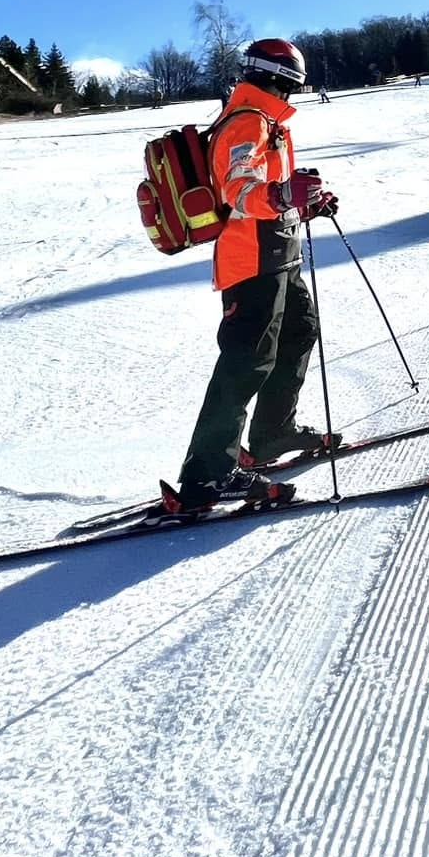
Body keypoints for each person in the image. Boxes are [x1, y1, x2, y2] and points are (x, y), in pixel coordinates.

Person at [171, 38, 340, 512]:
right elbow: (239, 190)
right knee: (246, 362)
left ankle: (270, 435)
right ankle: (206, 476)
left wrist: (303, 203)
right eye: (293, 88)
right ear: (281, 80)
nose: (294, 97)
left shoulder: (266, 122)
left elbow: (269, 192)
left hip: (280, 256)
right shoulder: (245, 123)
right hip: (250, 263)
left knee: (299, 334)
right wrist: (285, 195)